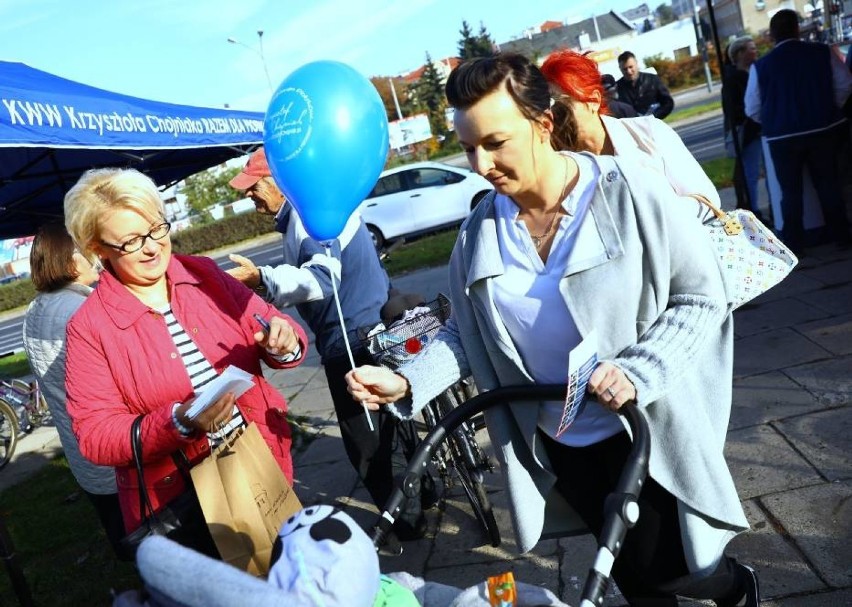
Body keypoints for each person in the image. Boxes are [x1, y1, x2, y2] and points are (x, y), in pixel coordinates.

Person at [346, 54, 759, 606]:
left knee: (673, 567)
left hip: (644, 427)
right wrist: (407, 383)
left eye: (496, 142)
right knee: (630, 576)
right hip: (561, 439)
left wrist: (639, 370)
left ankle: (735, 586)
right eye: (469, 147)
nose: (481, 163)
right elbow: (469, 336)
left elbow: (702, 297)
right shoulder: (478, 235)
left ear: (542, 124)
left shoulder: (628, 191)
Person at [63, 168, 308, 554]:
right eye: (131, 241)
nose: (152, 247)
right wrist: (179, 421)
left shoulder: (204, 274)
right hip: (184, 503)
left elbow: (271, 324)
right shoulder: (89, 328)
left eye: (157, 228)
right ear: (98, 248)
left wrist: (283, 340)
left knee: (294, 577)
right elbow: (95, 436)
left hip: (263, 465)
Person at [226, 149, 432, 552]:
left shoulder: (306, 218)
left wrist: (262, 277)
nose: (251, 198)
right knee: (397, 425)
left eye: (255, 186)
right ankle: (425, 495)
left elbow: (321, 278)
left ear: (281, 182)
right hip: (373, 329)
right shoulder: (321, 208)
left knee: (367, 447)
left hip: (351, 341)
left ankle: (406, 524)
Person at [21, 222, 128, 559]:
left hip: (80, 445)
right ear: (69, 261)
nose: (95, 259)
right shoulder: (80, 309)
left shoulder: (35, 309)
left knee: (119, 529)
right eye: (86, 253)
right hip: (111, 443)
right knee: (147, 533)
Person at [541, 49, 720, 210]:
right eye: (545, 104)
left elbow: (707, 200)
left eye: (559, 102)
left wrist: (649, 220)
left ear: (593, 101)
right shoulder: (555, 164)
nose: (551, 113)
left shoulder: (650, 133)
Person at [745, 9, 852, 254]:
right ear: (797, 29)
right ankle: (841, 235)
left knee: (790, 192)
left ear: (771, 35)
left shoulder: (761, 66)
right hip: (823, 128)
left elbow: (752, 107)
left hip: (782, 137)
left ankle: (794, 243)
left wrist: (775, 120)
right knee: (828, 184)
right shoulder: (821, 53)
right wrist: (827, 107)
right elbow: (845, 84)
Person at [722, 36, 767, 219]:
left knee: (752, 171)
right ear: (740, 53)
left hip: (754, 130)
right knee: (751, 172)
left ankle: (751, 208)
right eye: (751, 48)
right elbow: (734, 110)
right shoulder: (735, 78)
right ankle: (752, 211)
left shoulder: (746, 74)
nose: (755, 51)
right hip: (748, 132)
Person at [615, 50, 674, 119]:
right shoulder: (617, 88)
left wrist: (654, 117)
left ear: (636, 64)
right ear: (620, 69)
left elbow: (668, 103)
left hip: (655, 123)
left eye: (631, 67)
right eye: (625, 69)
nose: (629, 72)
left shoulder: (652, 79)